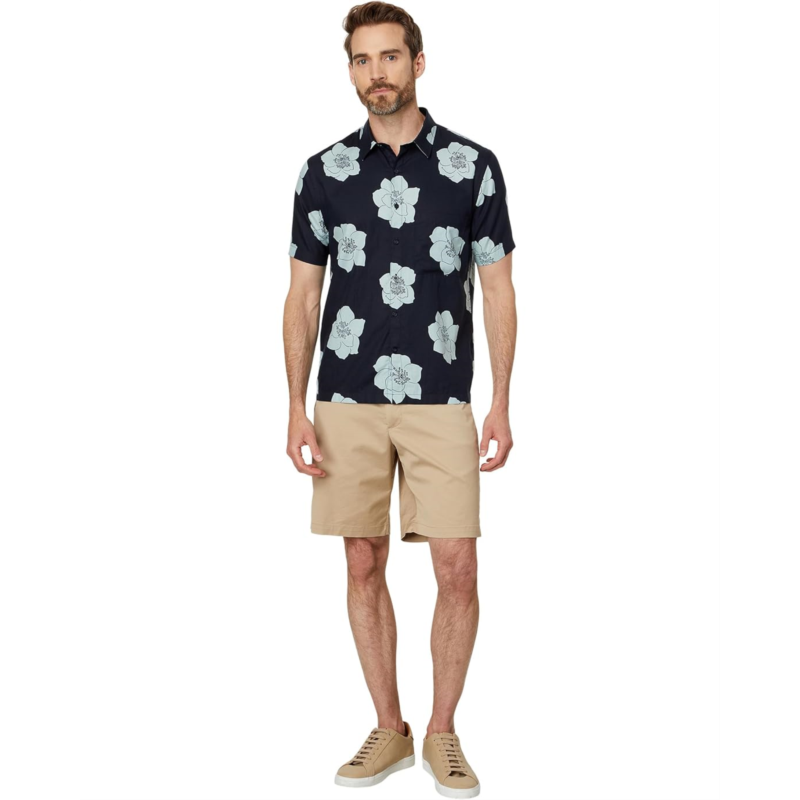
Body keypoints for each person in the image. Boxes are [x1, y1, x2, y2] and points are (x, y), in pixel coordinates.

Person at [283, 3, 517, 796]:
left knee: (458, 564)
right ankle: (390, 728)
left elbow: (499, 289)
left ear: (418, 62)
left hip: (441, 395)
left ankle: (443, 731)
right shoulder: (322, 172)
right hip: (344, 397)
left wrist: (501, 401)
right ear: (350, 70)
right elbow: (302, 297)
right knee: (361, 559)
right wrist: (293, 406)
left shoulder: (473, 166)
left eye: (389, 57)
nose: (375, 73)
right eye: (361, 59)